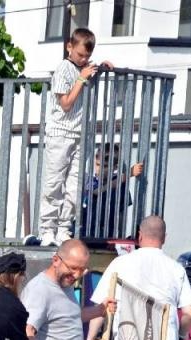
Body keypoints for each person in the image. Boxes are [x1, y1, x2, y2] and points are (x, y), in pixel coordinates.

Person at [40, 28, 114, 246]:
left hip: (80, 133)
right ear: (69, 47)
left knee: (74, 184)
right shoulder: (64, 69)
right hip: (60, 132)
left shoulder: (84, 67)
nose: (84, 59)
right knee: (54, 183)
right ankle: (47, 229)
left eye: (87, 57)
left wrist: (101, 68)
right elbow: (66, 103)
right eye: (80, 55)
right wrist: (81, 79)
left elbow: (89, 71)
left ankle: (64, 228)